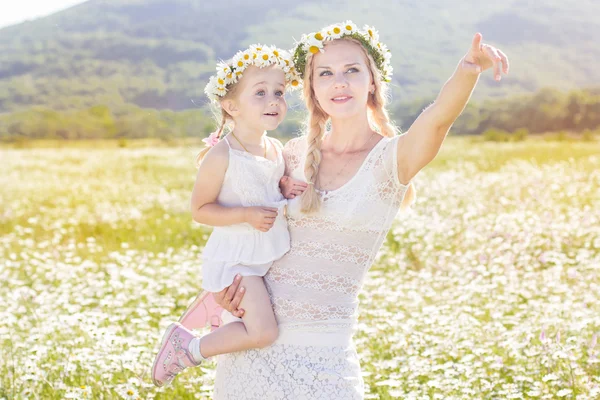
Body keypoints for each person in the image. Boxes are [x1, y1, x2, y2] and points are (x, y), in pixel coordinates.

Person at [209, 21, 509, 399]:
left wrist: (468, 69)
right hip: (251, 348)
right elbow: (244, 229)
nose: (339, 82)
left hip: (326, 357)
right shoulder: (291, 154)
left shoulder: (391, 160)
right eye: (326, 74)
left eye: (352, 70)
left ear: (372, 81)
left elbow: (437, 119)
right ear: (312, 89)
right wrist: (226, 287)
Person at [150, 44, 303, 387]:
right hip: (238, 261)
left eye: (278, 92)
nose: (273, 101)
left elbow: (264, 183)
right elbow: (200, 210)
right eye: (260, 93)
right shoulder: (221, 155)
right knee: (263, 332)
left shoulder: (274, 148)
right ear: (231, 106)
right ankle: (188, 347)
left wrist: (284, 184)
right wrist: (246, 214)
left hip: (267, 254)